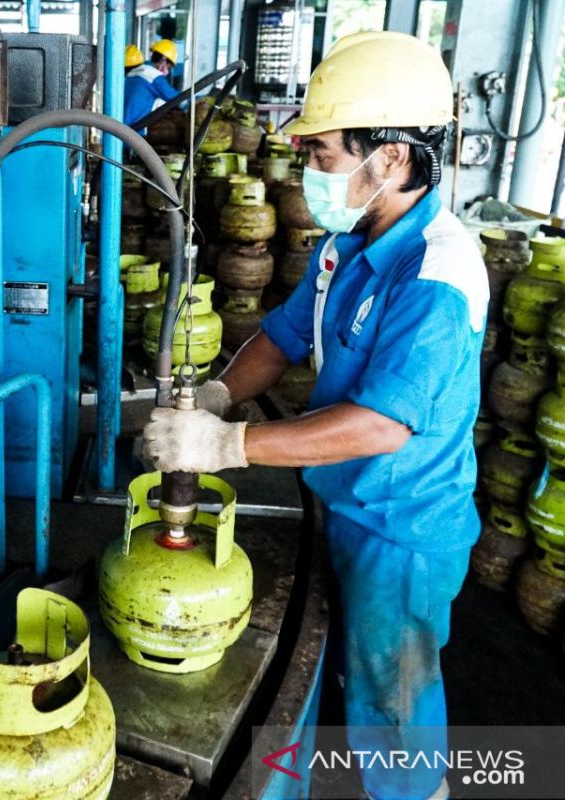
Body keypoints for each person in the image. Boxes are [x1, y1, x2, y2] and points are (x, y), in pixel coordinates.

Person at [142, 32, 484, 800]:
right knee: (343, 683)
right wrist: (217, 395)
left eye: (324, 152)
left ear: (391, 157)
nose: (310, 172)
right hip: (339, 498)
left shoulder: (438, 272)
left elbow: (381, 426)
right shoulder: (346, 244)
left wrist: (227, 442)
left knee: (393, 712)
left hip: (400, 529)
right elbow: (280, 337)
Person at [123, 39, 180, 128]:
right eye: (169, 66)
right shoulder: (153, 76)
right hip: (132, 130)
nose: (167, 71)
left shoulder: (136, 72)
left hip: (119, 126)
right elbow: (177, 99)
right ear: (163, 60)